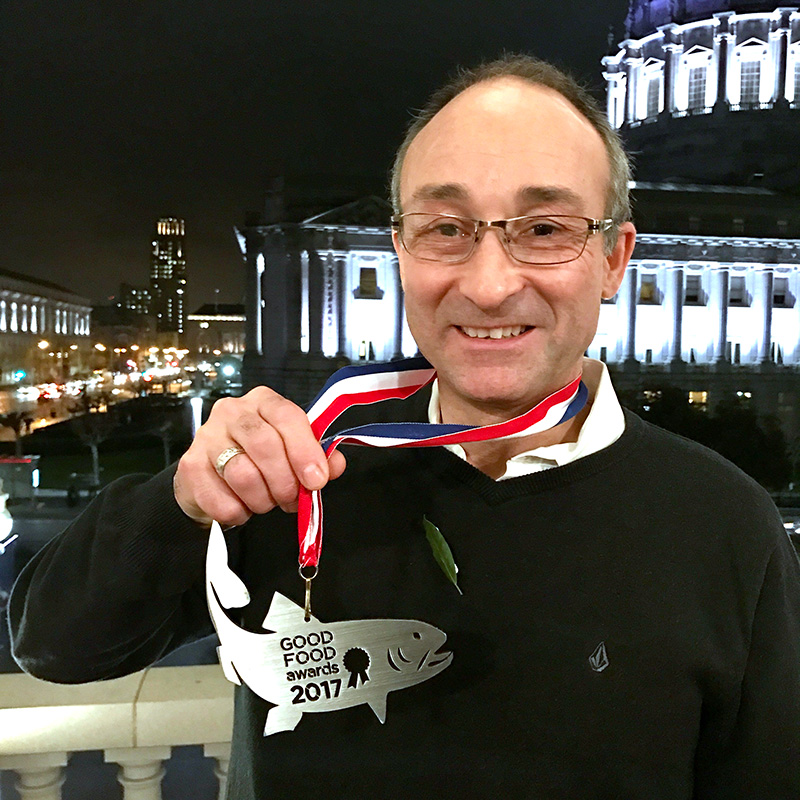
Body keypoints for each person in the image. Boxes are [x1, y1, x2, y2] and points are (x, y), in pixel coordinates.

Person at [9, 55, 800, 798]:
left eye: (546, 229)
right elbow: (54, 643)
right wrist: (181, 502)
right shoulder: (301, 473)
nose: (490, 286)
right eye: (446, 228)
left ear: (615, 259)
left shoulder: (726, 525)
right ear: (399, 248)